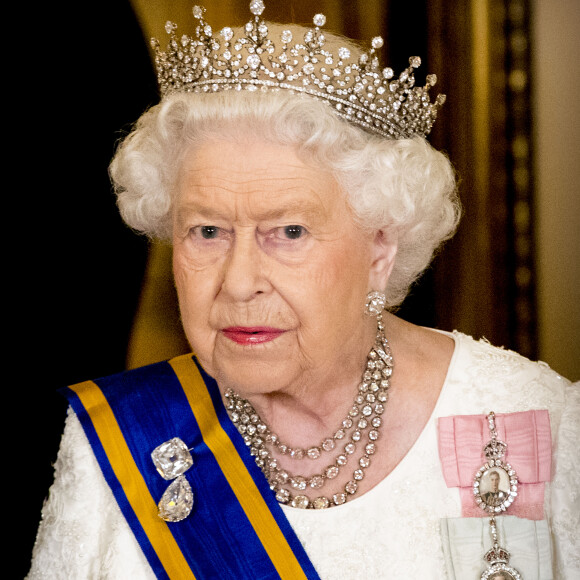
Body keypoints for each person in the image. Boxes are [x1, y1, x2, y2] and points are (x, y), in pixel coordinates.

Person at [28, 2, 579, 579]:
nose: (238, 282)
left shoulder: (527, 422)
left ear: (380, 247)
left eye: (288, 232)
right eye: (207, 231)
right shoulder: (114, 442)